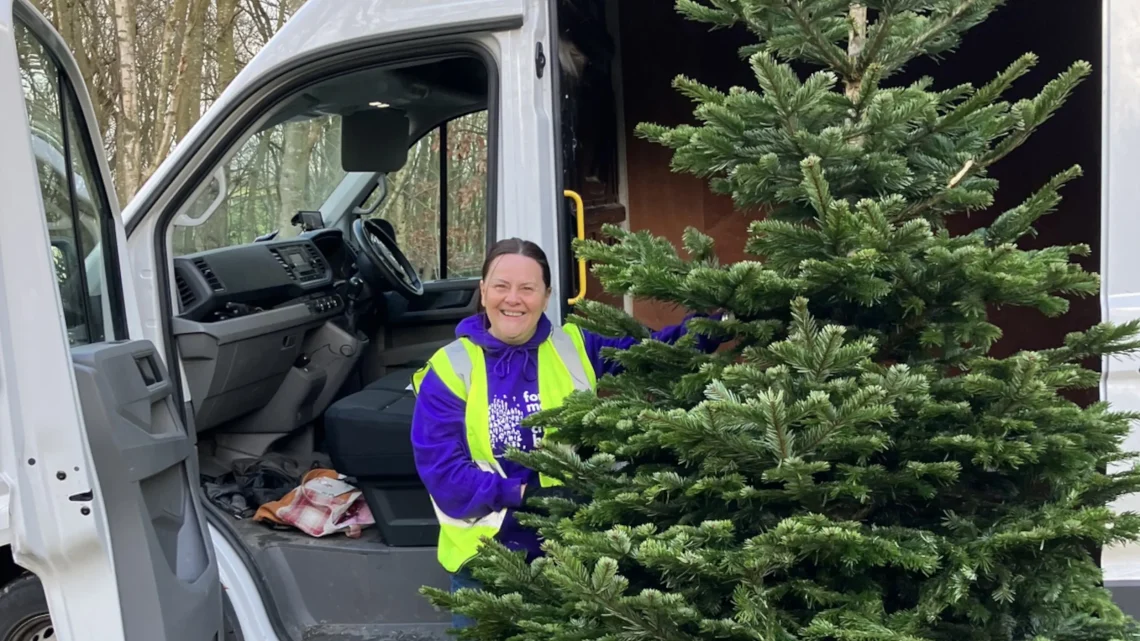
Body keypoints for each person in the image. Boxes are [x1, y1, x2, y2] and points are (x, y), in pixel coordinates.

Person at [410, 238, 720, 628]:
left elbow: (656, 353)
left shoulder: (575, 346)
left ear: (546, 296)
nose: (513, 299)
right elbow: (444, 475)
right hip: (485, 563)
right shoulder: (451, 368)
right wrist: (527, 495)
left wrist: (716, 324)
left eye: (527, 288)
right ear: (483, 292)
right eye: (502, 286)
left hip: (572, 557)